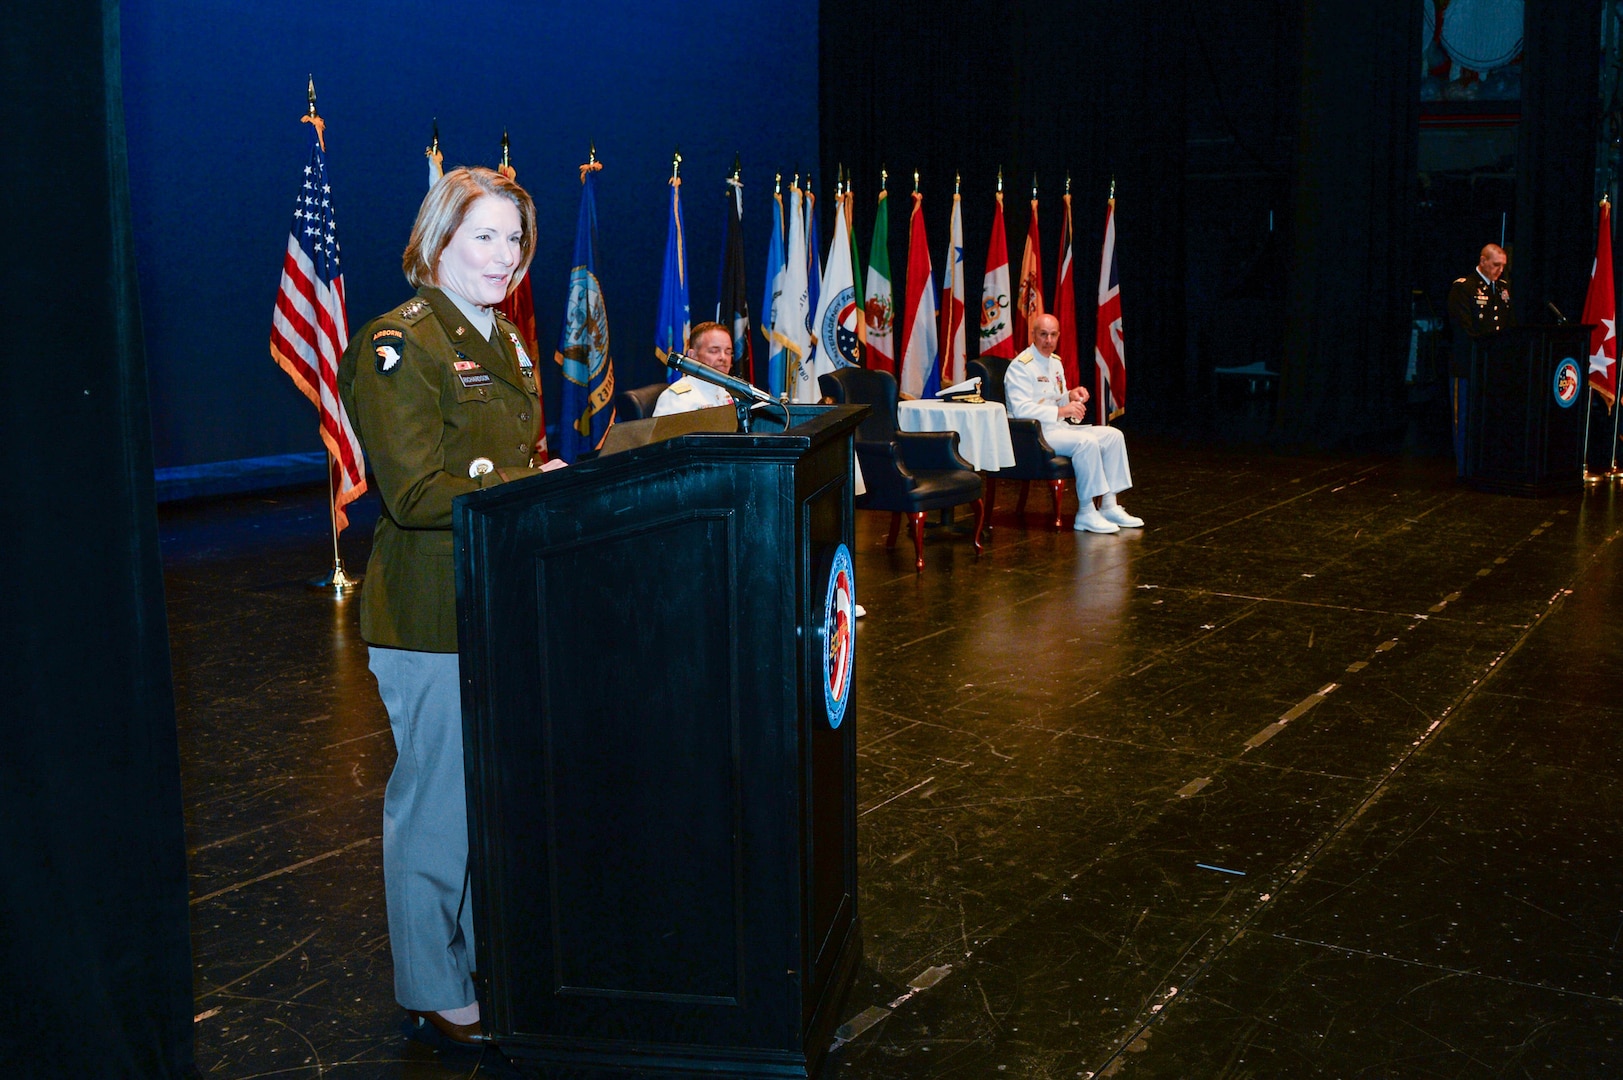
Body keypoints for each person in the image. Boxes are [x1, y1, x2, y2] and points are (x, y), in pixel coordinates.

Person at [337, 166, 551, 1050]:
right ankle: (432, 985)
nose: (504, 256)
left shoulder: (501, 338)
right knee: (436, 807)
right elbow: (418, 488)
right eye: (485, 237)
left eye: (514, 239)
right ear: (437, 243)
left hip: (496, 598)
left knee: (486, 800)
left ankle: (472, 953)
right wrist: (532, 483)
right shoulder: (401, 342)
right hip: (430, 615)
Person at [1004, 313, 1141, 533]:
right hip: (1033, 434)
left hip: (1058, 428)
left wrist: (1070, 395)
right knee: (1086, 441)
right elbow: (1021, 410)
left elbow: (1054, 396)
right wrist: (1062, 410)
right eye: (1043, 335)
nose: (1048, 341)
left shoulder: (1055, 363)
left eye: (1053, 335)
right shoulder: (1021, 366)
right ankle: (1086, 512)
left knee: (1113, 435)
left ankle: (1109, 505)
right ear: (1033, 335)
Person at [1446, 243, 1513, 476]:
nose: (1500, 271)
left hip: (1493, 368)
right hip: (1468, 365)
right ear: (1483, 261)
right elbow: (1464, 330)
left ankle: (1487, 467)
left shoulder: (1502, 288)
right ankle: (1465, 469)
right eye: (1496, 265)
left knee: (1490, 419)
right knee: (1464, 420)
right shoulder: (1464, 288)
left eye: (1503, 266)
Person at [652, 321, 735, 416]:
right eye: (714, 351)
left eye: (728, 352)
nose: (723, 358)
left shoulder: (735, 394)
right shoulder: (676, 398)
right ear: (693, 355)